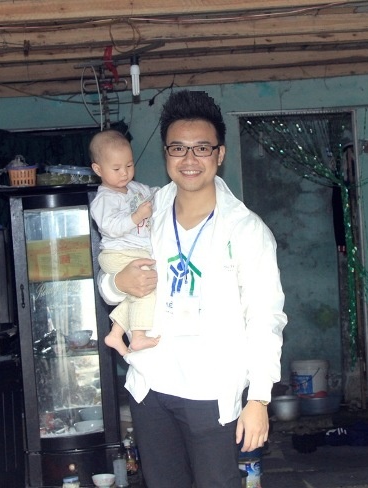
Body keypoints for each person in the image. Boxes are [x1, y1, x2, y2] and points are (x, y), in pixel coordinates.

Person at [98, 90, 287, 488]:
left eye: (202, 148)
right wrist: (116, 282)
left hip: (211, 389)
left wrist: (259, 398)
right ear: (166, 154)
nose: (189, 159)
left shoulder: (246, 230)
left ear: (220, 154)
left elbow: (265, 317)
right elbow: (111, 272)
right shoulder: (148, 210)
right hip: (150, 385)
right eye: (178, 148)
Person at [89, 129, 160, 356]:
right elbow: (111, 227)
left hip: (134, 252)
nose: (125, 173)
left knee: (136, 292)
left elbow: (154, 195)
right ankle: (138, 337)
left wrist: (169, 192)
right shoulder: (103, 199)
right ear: (98, 169)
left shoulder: (135, 189)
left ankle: (116, 333)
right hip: (118, 253)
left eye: (129, 165)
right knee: (145, 286)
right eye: (117, 168)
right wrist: (137, 216)